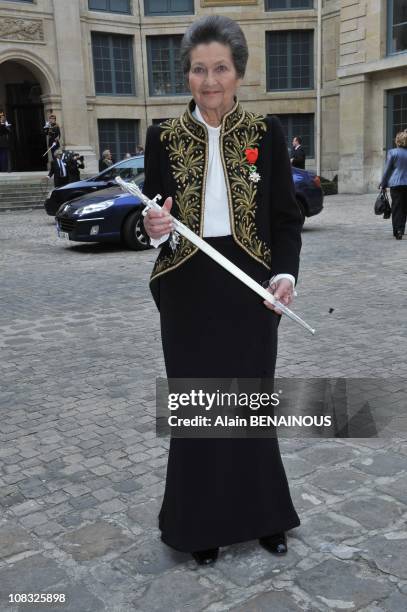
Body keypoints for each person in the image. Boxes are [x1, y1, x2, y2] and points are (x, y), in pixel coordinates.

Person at [142, 16, 303, 566]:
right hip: (186, 287)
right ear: (185, 75)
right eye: (198, 69)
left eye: (220, 69)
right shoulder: (162, 137)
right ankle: (199, 524)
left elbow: (286, 219)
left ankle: (264, 517)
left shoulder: (267, 133)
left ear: (238, 75)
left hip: (249, 285)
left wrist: (286, 274)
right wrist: (152, 227)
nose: (209, 81)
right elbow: (153, 213)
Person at [379, 130, 407, 240]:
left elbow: (387, 170)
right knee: (405, 207)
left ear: (398, 141)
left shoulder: (392, 152)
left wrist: (383, 184)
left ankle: (398, 230)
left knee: (397, 207)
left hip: (396, 184)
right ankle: (401, 228)